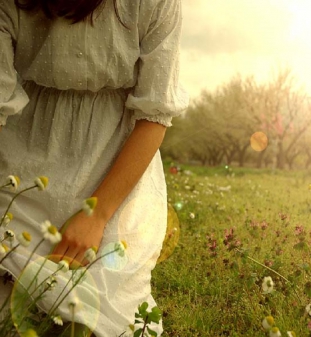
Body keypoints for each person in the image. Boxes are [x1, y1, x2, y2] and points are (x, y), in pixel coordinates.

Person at [0, 0, 188, 335]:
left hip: (114, 164)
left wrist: (97, 216)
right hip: (25, 150)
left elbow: (154, 114)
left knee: (104, 309)